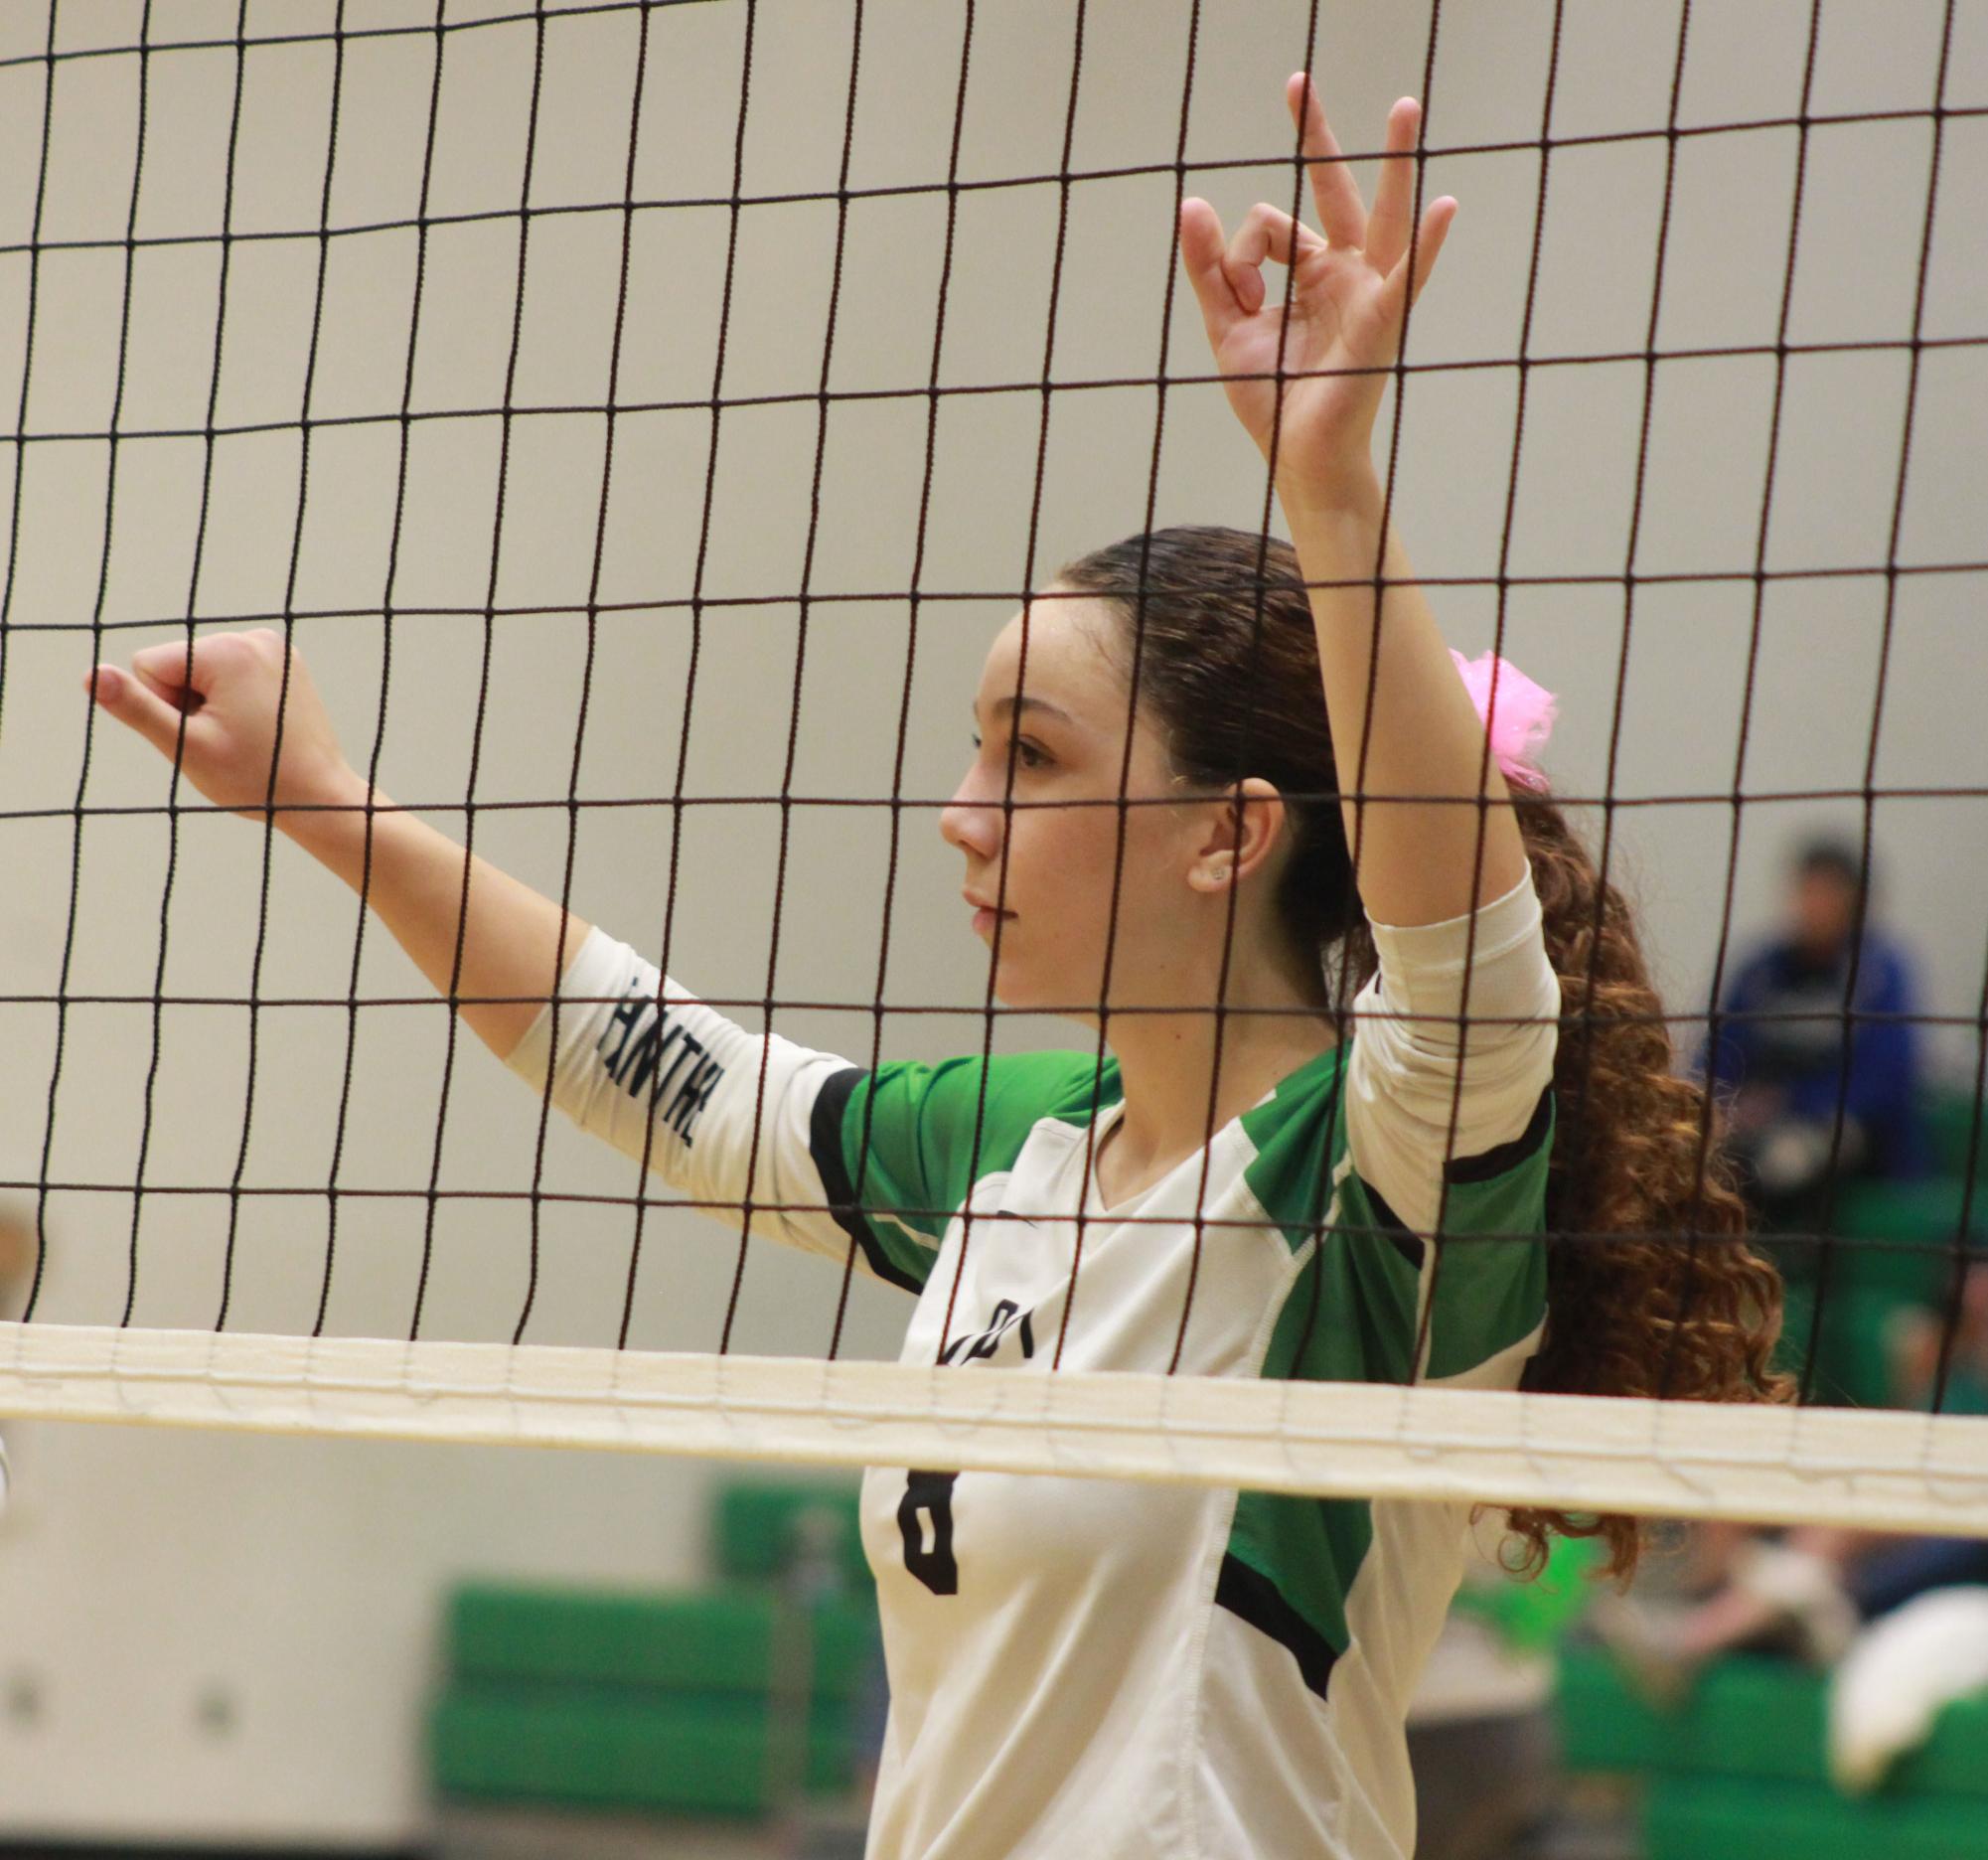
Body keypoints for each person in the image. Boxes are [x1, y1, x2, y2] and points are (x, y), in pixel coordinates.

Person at [84, 77, 1783, 1860]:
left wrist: (1332, 494)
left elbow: (1461, 950)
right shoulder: (1022, 1149)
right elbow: (657, 1063)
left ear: (1232, 830)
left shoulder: (1378, 1183)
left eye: (1031, 757)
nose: (962, 814)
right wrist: (323, 804)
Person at [1704, 835, 1928, 1228]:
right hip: (1753, 1126)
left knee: (1785, 1162)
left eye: (1827, 893)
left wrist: (1792, 1105)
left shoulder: (1881, 972)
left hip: (1847, 1136)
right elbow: (1718, 1054)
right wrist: (1722, 1106)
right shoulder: (1761, 970)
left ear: (1855, 901)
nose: (1814, 905)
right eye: (1807, 891)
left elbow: (1885, 1079)